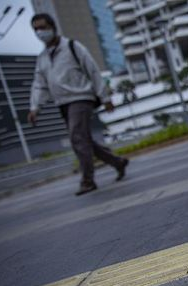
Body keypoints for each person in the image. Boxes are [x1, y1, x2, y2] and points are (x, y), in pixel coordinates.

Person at [28, 13, 128, 196]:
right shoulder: (42, 58)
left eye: (42, 27)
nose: (39, 32)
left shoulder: (72, 47)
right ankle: (117, 162)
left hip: (81, 98)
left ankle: (87, 181)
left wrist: (105, 97)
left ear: (52, 26)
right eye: (36, 29)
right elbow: (39, 84)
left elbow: (93, 70)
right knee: (84, 140)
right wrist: (35, 107)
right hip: (62, 104)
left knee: (77, 138)